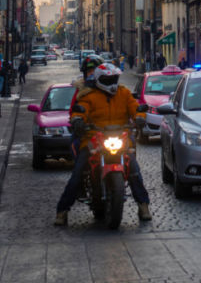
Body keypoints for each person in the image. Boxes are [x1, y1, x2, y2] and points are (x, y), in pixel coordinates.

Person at [54, 62, 151, 226]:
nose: (112, 82)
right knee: (78, 173)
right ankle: (62, 210)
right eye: (108, 79)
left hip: (120, 138)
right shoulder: (89, 96)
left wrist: (140, 117)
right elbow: (80, 110)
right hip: (93, 139)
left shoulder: (124, 93)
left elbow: (135, 108)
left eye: (114, 78)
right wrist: (78, 120)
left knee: (134, 170)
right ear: (99, 80)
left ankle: (143, 205)